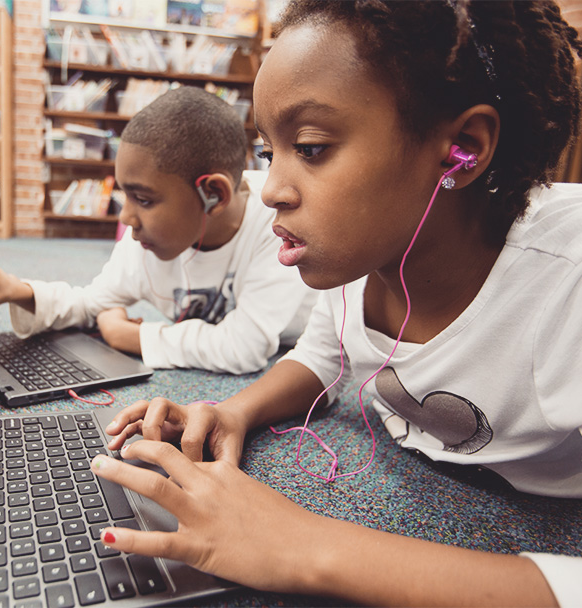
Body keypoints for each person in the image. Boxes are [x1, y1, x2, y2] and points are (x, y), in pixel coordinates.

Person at [89, 1, 582, 606]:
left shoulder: (566, 285)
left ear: (462, 149)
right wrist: (235, 412)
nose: (270, 190)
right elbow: (322, 356)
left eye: (313, 146)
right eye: (270, 152)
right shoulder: (361, 253)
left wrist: (304, 546)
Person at [0, 86, 315, 374]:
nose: (126, 217)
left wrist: (129, 335)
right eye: (126, 195)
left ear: (212, 194)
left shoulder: (277, 227)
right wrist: (16, 290)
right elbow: (93, 303)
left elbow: (245, 347)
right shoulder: (144, 240)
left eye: (144, 199)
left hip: (300, 345)